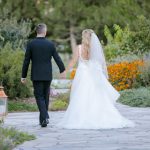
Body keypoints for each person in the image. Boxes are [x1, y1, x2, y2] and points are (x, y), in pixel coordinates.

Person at [59, 29, 134, 129]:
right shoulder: (95, 49)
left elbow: (73, 61)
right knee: (96, 96)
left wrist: (65, 71)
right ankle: (99, 116)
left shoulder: (79, 48)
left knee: (81, 96)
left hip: (82, 75)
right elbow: (101, 62)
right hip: (93, 76)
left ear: (83, 37)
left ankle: (81, 118)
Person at [21, 23, 65, 127]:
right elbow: (57, 58)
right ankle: (43, 121)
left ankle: (44, 116)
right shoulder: (50, 44)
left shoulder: (31, 44)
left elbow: (26, 61)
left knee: (39, 96)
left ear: (37, 31)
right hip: (47, 74)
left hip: (36, 75)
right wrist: (62, 70)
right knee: (45, 96)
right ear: (44, 32)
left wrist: (23, 76)